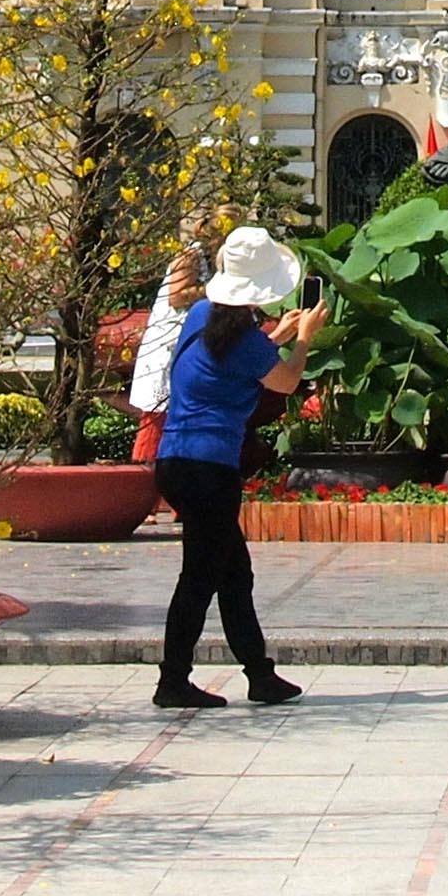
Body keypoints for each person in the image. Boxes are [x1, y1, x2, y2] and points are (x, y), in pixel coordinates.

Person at [153, 225, 325, 710]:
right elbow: (286, 382)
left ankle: (260, 674)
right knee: (202, 576)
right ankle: (173, 680)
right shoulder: (249, 342)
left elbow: (230, 352)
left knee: (231, 572)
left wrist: (279, 334)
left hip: (177, 460)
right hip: (209, 469)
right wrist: (303, 341)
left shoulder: (202, 316)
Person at [125, 229, 213, 463]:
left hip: (188, 344)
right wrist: (212, 290)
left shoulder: (209, 259)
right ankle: (144, 472)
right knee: (156, 416)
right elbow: (176, 296)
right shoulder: (191, 256)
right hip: (168, 345)